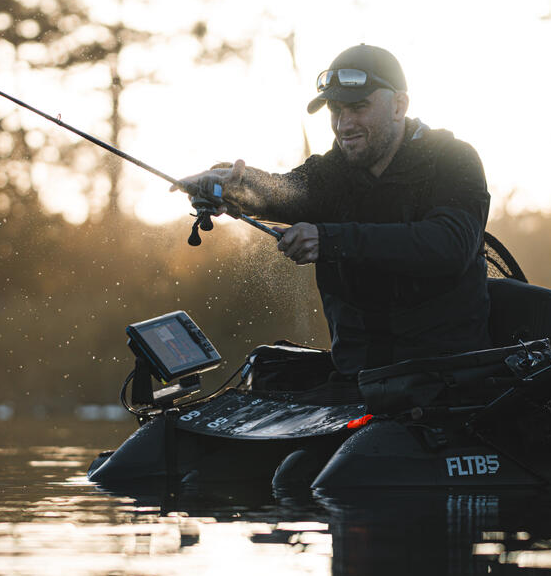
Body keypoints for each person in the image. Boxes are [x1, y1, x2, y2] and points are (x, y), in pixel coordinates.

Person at [179, 44, 492, 376]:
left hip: (450, 381)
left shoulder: (452, 160)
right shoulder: (332, 173)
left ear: (399, 105)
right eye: (336, 110)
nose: (344, 124)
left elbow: (448, 245)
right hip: (356, 381)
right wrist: (229, 183)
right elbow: (281, 191)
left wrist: (330, 240)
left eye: (358, 107)